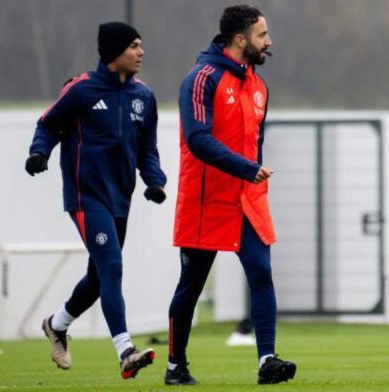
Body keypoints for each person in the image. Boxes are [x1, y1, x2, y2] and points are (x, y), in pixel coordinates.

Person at [26, 21, 167, 379]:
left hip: (121, 198)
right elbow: (48, 124)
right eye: (134, 46)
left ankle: (56, 325)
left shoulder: (144, 97)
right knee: (113, 266)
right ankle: (125, 350)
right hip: (85, 196)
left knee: (98, 275)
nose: (141, 52)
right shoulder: (82, 90)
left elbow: (147, 149)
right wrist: (39, 152)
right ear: (114, 52)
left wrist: (154, 181)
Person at [165, 5, 296, 386]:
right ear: (240, 40)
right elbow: (197, 139)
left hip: (246, 199)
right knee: (190, 285)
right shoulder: (201, 78)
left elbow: (256, 143)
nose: (268, 42)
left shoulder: (258, 86)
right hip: (205, 200)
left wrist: (252, 173)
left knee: (261, 272)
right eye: (262, 35)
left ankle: (267, 360)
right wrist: (246, 168)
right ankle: (176, 365)